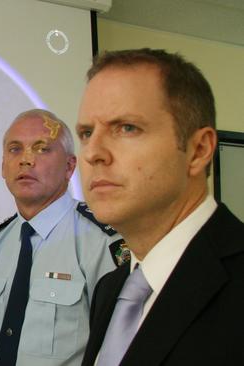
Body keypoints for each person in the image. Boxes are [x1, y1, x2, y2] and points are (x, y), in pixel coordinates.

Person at [76, 48, 244, 365]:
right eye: (86, 133)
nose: (92, 153)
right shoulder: (110, 289)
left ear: (198, 150)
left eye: (126, 128)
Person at [0, 109, 124, 366]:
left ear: (69, 166)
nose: (26, 160)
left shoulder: (100, 243)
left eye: (42, 149)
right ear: (2, 167)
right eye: (15, 149)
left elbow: (121, 348)